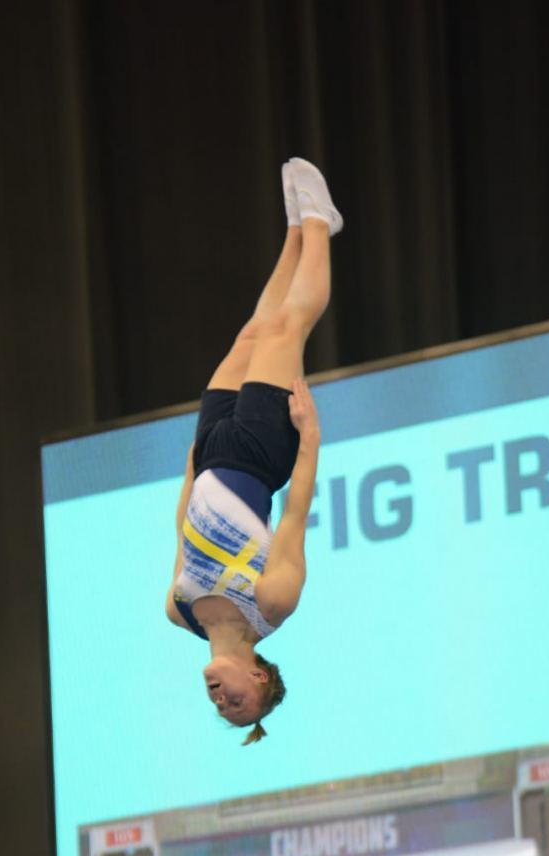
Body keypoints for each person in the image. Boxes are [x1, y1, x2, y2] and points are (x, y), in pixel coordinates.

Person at [165, 158, 342, 744]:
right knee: (287, 330)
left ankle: (293, 231)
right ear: (260, 675)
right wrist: (310, 437)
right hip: (263, 455)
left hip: (213, 450)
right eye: (241, 706)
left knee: (250, 333)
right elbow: (295, 517)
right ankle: (319, 224)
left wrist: (191, 475)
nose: (223, 704)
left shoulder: (179, 610)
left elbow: (183, 535)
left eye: (222, 711)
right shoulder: (272, 603)